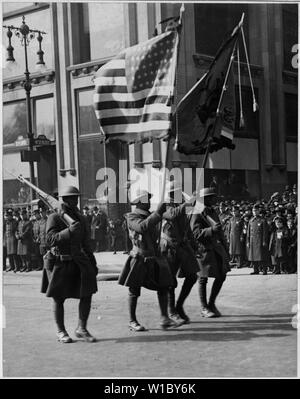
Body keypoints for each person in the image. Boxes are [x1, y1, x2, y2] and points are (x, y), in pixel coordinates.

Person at [41, 186, 98, 343]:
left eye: (76, 197)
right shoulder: (55, 217)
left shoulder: (80, 217)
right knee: (59, 298)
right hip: (61, 261)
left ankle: (81, 328)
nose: (75, 200)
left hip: (79, 260)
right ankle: (61, 331)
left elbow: (86, 242)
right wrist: (68, 232)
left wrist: (92, 261)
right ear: (64, 200)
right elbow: (49, 240)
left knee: (87, 293)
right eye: (72, 198)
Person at [118, 189, 176, 331]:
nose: (148, 201)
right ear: (138, 202)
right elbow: (142, 227)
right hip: (139, 257)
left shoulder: (151, 215)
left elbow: (163, 221)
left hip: (154, 257)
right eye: (145, 199)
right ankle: (132, 320)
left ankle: (164, 317)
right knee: (134, 290)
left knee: (163, 286)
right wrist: (157, 213)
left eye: (149, 199)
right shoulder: (131, 216)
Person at [160, 181, 199, 325]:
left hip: (183, 246)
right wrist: (188, 203)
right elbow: (172, 215)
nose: (179, 195)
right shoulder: (165, 206)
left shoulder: (180, 206)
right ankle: (172, 311)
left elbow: (185, 227)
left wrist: (194, 245)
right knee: (170, 281)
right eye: (176, 193)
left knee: (192, 276)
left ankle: (179, 305)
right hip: (169, 247)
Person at [190, 188, 231, 318]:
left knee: (221, 275)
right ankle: (204, 307)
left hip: (217, 249)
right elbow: (195, 233)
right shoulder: (197, 212)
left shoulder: (212, 211)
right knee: (203, 279)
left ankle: (211, 303)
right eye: (212, 197)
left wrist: (226, 249)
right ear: (205, 199)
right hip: (204, 249)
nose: (214, 199)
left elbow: (220, 232)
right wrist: (210, 230)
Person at [246, 204, 268, 275]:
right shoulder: (251, 221)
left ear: (259, 211)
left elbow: (265, 232)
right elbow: (248, 232)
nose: (254, 212)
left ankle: (264, 270)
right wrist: (248, 241)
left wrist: (264, 241)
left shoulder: (262, 220)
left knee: (262, 256)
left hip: (260, 240)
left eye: (256, 210)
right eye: (253, 211)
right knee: (253, 256)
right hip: (253, 241)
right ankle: (256, 270)